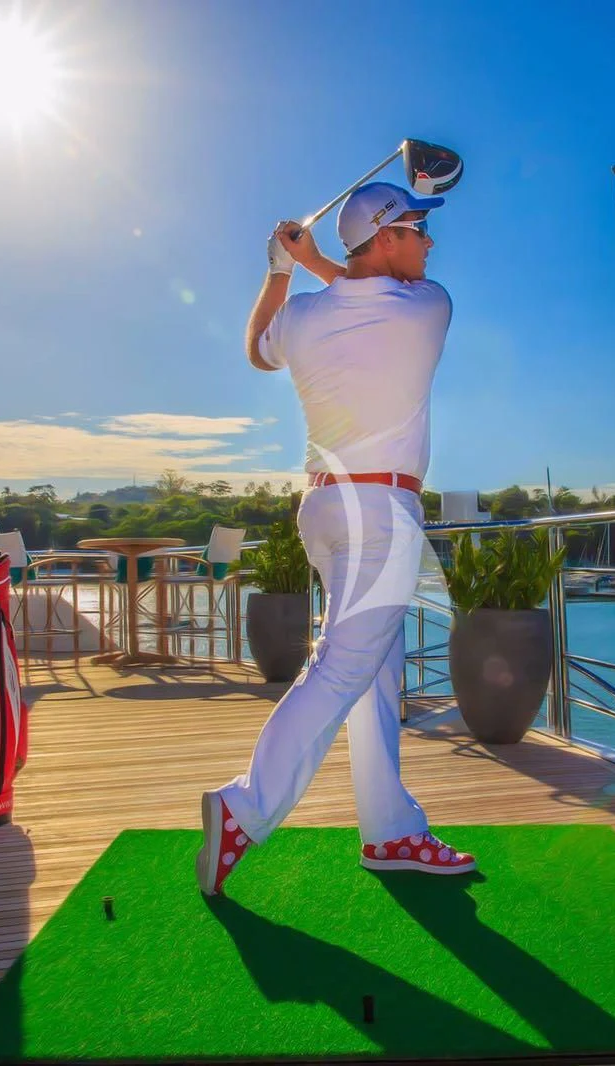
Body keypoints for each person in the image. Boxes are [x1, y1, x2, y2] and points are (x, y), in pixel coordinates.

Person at [196, 181, 475, 895]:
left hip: (323, 509)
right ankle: (245, 806)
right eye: (416, 229)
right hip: (380, 511)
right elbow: (359, 285)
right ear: (386, 238)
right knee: (346, 667)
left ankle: (391, 830)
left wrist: (281, 268)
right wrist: (315, 260)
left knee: (376, 670)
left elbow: (259, 350)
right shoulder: (428, 304)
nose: (429, 242)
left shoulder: (303, 315)